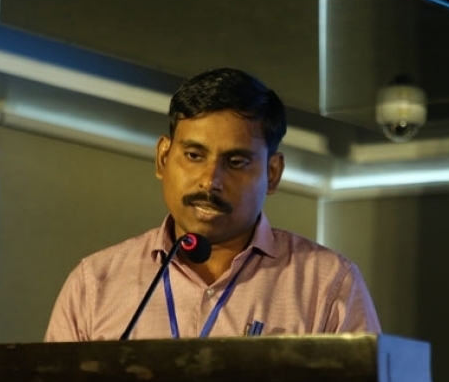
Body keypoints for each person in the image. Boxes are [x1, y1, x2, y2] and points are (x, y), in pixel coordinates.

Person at [44, 67, 381, 341]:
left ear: (272, 173)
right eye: (193, 155)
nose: (210, 181)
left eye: (236, 162)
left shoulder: (328, 284)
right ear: (163, 158)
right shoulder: (95, 284)